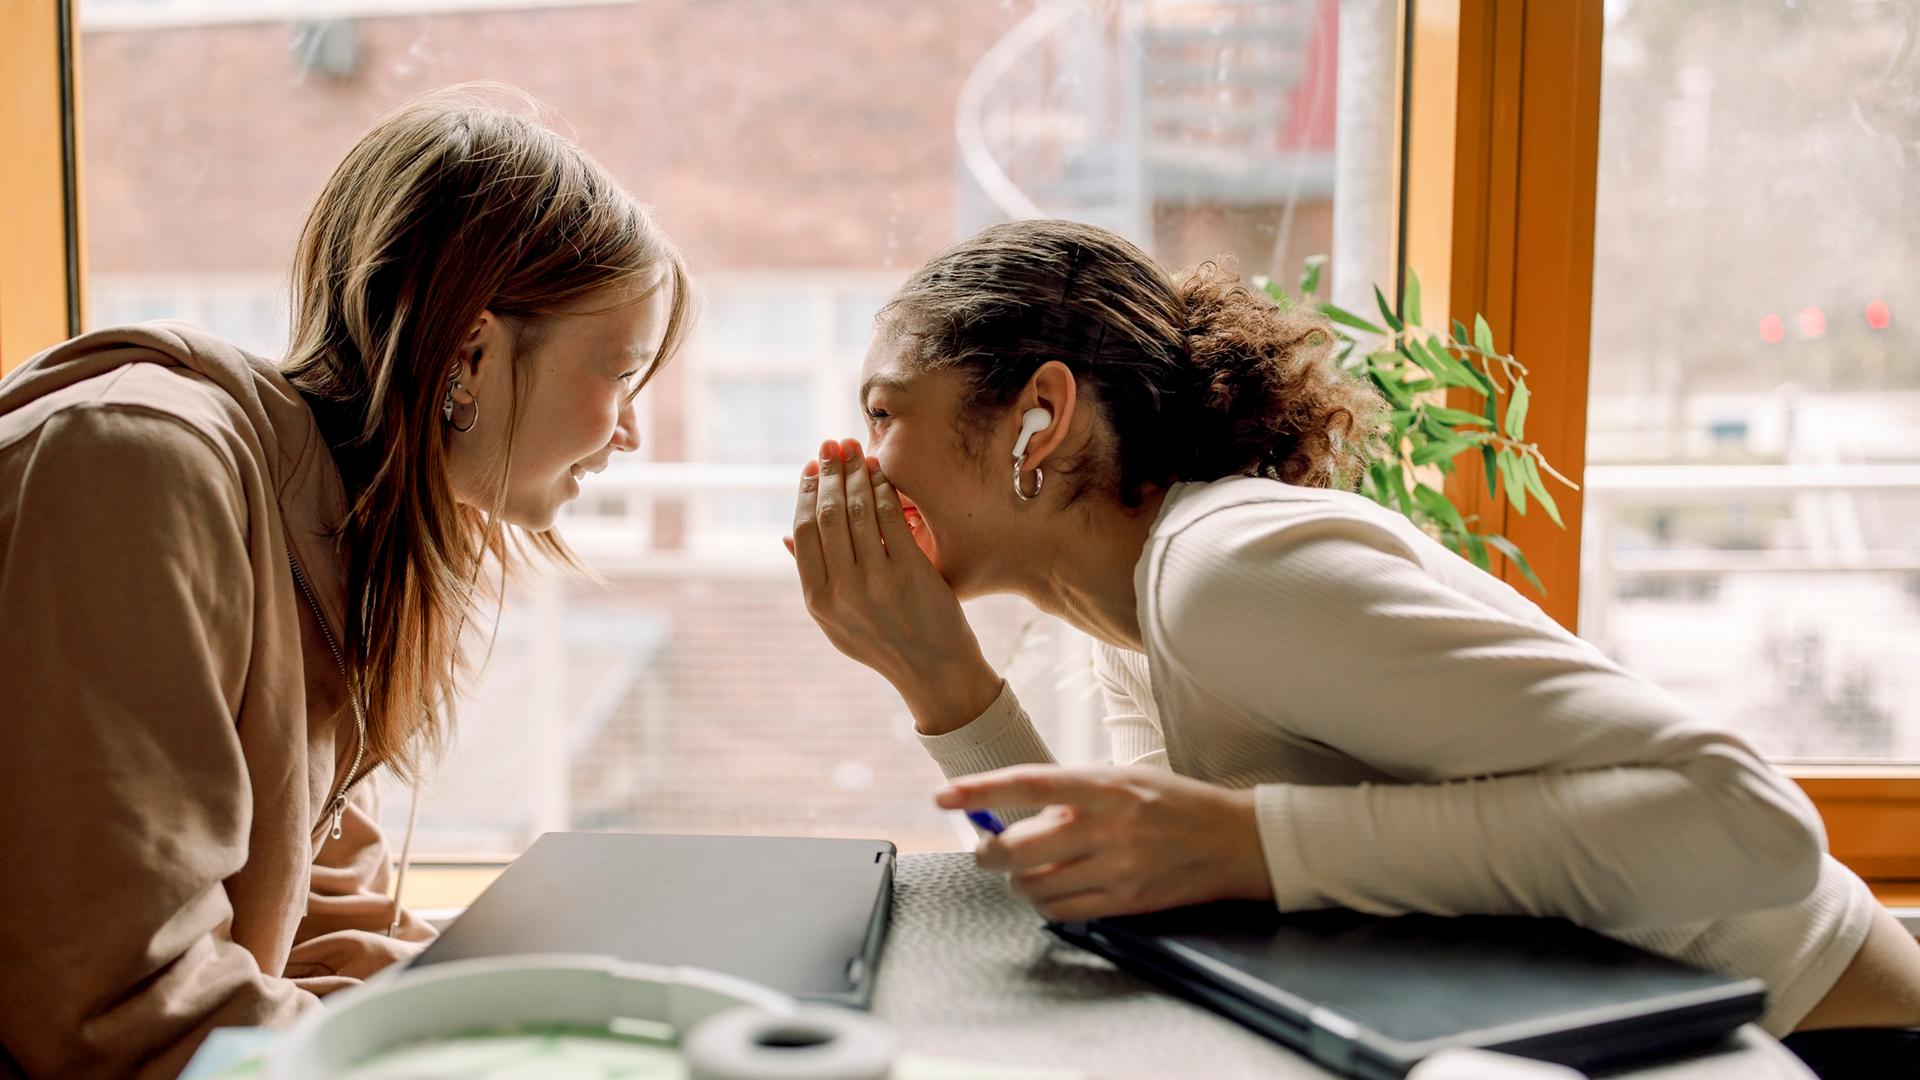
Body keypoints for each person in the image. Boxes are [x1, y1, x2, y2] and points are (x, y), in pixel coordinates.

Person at [787, 218, 1920, 1074]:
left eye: (885, 413)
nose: (857, 457)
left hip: (1819, 1038)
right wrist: (941, 683)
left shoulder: (1226, 571)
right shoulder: (1130, 615)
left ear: (1040, 416)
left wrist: (1256, 842)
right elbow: (1128, 897)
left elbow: (1753, 827)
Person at [0, 85, 689, 1078]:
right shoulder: (136, 469)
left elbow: (327, 935)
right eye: (621, 373)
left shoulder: (336, 539)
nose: (630, 430)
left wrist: (557, 1035)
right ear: (473, 352)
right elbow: (116, 1010)